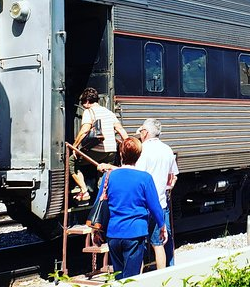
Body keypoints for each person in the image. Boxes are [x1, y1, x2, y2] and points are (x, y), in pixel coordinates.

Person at [95, 137, 167, 279]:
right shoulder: (144, 178)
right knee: (132, 279)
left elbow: (99, 204)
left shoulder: (108, 176)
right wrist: (162, 225)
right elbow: (155, 206)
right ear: (139, 156)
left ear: (121, 154)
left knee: (119, 276)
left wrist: (96, 230)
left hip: (113, 234)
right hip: (135, 234)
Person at [69, 87, 129, 201]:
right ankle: (102, 197)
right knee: (104, 172)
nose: (82, 105)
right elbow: (121, 130)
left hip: (96, 151)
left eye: (83, 102)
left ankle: (84, 191)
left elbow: (84, 131)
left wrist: (75, 146)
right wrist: (129, 146)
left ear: (87, 101)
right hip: (111, 151)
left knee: (72, 161)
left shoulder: (89, 111)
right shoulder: (109, 112)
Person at [135, 118, 179, 269]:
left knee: (138, 246)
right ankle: (163, 279)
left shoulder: (142, 150)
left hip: (143, 206)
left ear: (145, 132)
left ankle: (137, 280)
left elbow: (138, 177)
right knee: (159, 244)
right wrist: (166, 188)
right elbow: (173, 177)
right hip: (161, 204)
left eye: (141, 131)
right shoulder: (167, 149)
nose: (140, 134)